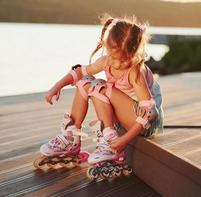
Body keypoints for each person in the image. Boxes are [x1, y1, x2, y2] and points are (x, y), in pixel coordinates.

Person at [41, 14, 164, 166]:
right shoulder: (106, 61)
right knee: (86, 82)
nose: (117, 64)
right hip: (125, 117)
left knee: (100, 86)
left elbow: (150, 114)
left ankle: (109, 142)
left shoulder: (135, 72)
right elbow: (80, 72)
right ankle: (71, 137)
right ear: (107, 47)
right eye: (113, 56)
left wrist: (123, 141)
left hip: (144, 124)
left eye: (123, 59)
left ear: (134, 54)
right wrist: (57, 86)